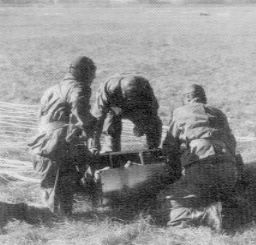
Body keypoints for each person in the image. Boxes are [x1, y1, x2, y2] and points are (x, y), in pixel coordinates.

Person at [158, 84, 242, 231]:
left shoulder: (180, 112)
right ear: (204, 97)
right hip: (229, 171)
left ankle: (206, 215)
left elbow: (170, 147)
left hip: (202, 171)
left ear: (187, 98)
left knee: (164, 199)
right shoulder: (219, 113)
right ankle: (229, 209)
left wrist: (174, 172)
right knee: (214, 193)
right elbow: (232, 143)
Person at [28, 56, 98, 216]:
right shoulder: (79, 87)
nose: (93, 79)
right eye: (92, 74)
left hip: (41, 144)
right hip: (57, 146)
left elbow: (43, 118)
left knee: (55, 186)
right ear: (85, 73)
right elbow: (81, 113)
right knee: (60, 209)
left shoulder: (50, 90)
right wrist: (93, 127)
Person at [91, 74, 162, 152]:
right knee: (111, 129)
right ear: (122, 92)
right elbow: (97, 118)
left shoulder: (144, 86)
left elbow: (153, 110)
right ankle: (112, 153)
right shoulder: (108, 89)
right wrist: (94, 145)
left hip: (139, 108)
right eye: (129, 98)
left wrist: (141, 125)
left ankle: (152, 150)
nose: (131, 101)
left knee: (154, 124)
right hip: (115, 108)